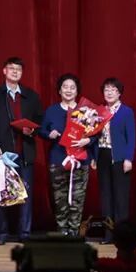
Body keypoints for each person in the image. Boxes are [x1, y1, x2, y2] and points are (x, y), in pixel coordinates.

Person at [0, 57, 43, 244]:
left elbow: (39, 121)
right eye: (11, 68)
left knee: (25, 195)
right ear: (4, 71)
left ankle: (24, 233)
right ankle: (1, 233)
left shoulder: (31, 96)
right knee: (2, 193)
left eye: (18, 69)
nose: (15, 71)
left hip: (25, 152)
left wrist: (32, 131)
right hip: (3, 153)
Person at [40, 74, 91, 237]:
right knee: (60, 199)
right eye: (65, 87)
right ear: (60, 90)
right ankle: (62, 233)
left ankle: (74, 232)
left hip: (80, 161)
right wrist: (49, 134)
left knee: (77, 199)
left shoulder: (84, 111)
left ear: (77, 91)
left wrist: (87, 140)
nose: (68, 90)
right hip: (58, 160)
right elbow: (41, 130)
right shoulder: (51, 110)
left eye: (72, 87)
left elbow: (95, 133)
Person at [91, 78, 136, 242]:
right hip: (102, 155)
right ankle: (108, 234)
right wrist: (94, 157)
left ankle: (121, 235)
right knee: (106, 197)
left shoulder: (126, 111)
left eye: (113, 90)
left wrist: (128, 158)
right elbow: (93, 135)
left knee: (121, 198)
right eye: (106, 90)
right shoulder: (98, 111)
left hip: (119, 157)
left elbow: (131, 137)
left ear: (119, 93)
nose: (109, 93)